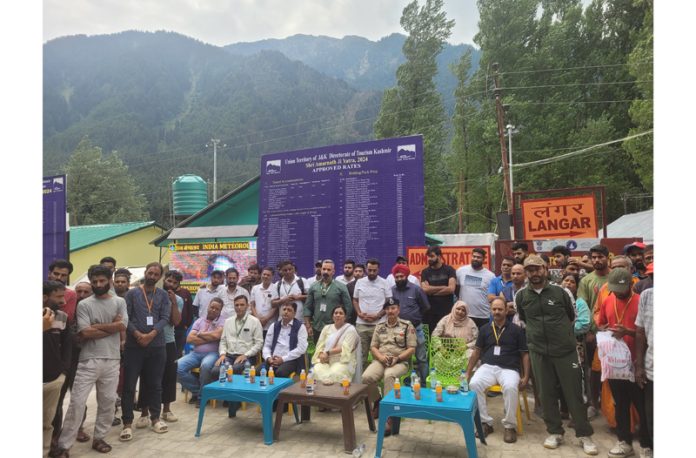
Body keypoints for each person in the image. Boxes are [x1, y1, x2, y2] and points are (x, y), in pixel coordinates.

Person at [515, 255, 598, 455]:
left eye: (537, 269)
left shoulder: (562, 292)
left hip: (565, 351)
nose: (534, 274)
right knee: (545, 393)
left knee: (574, 393)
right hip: (538, 352)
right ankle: (554, 432)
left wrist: (559, 334)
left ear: (545, 269)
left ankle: (584, 435)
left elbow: (572, 317)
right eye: (529, 270)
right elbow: (524, 319)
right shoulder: (520, 296)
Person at [53, 265, 128, 457]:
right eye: (94, 281)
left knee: (108, 402)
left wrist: (99, 327)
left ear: (109, 280)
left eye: (102, 281)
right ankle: (64, 445)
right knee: (77, 402)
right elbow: (85, 332)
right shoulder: (85, 304)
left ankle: (99, 438)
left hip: (112, 359)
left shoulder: (119, 302)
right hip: (88, 360)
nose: (98, 284)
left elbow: (123, 325)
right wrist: (113, 326)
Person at [596, 269, 651, 458]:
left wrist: (627, 331)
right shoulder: (607, 300)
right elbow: (601, 323)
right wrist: (604, 328)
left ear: (630, 284)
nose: (618, 292)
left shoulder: (640, 301)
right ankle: (624, 442)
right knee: (620, 404)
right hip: (615, 364)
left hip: (637, 363)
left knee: (643, 407)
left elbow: (647, 334)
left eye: (621, 288)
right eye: (614, 289)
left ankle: (646, 445)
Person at [467, 298, 530, 443]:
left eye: (500, 309)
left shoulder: (517, 330)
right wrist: (468, 372)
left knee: (509, 387)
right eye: (494, 309)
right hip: (488, 367)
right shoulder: (484, 329)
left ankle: (509, 426)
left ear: (506, 311)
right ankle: (485, 423)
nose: (496, 312)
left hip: (509, 369)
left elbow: (525, 354)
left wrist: (526, 376)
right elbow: (476, 352)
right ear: (491, 310)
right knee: (475, 384)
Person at [120, 262, 171, 441]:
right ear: (145, 272)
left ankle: (155, 418)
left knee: (155, 384)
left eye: (156, 274)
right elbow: (125, 317)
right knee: (129, 386)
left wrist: (151, 335)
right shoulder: (132, 293)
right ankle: (127, 424)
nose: (152, 276)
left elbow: (165, 317)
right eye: (150, 273)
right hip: (134, 346)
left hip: (156, 346)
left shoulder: (163, 295)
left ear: (160, 277)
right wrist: (137, 333)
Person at [361, 298, 416, 436]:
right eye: (388, 309)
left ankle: (389, 416)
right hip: (381, 360)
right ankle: (378, 401)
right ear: (385, 311)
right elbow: (373, 347)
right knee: (366, 377)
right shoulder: (379, 326)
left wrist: (398, 358)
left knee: (388, 376)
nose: (390, 311)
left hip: (399, 362)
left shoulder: (407, 325)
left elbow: (411, 349)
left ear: (398, 309)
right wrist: (380, 357)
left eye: (393, 308)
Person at [135, 270, 183, 426]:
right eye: (169, 280)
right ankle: (144, 412)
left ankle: (166, 410)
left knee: (169, 376)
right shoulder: (150, 295)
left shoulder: (179, 300)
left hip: (168, 341)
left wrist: (173, 302)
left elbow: (175, 322)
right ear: (164, 280)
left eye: (175, 283)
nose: (171, 284)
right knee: (148, 377)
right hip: (150, 341)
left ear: (178, 286)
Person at [50, 281, 92, 451]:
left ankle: (79, 427)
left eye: (85, 292)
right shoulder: (66, 310)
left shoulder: (92, 308)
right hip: (64, 359)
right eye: (79, 291)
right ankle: (54, 433)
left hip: (84, 359)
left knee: (78, 397)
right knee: (57, 400)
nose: (82, 295)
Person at [215, 295, 264, 416]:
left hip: (247, 357)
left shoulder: (254, 321)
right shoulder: (228, 321)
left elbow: (259, 343)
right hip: (229, 355)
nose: (239, 307)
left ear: (247, 306)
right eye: (236, 305)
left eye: (242, 305)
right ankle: (229, 397)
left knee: (235, 370)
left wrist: (245, 355)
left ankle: (233, 404)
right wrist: (222, 354)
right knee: (215, 370)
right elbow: (223, 341)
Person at [577, 244, 611, 419]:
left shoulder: (615, 277)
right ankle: (593, 404)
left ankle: (612, 405)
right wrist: (590, 331)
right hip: (594, 334)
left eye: (600, 257)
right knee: (593, 371)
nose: (597, 260)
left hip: (615, 333)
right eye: (594, 257)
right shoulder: (586, 281)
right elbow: (583, 308)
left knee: (614, 369)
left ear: (607, 258)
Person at [177, 297, 224, 406]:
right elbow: (189, 339)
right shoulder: (199, 320)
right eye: (212, 307)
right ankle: (199, 391)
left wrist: (201, 334)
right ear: (208, 307)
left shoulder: (223, 321)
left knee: (206, 366)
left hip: (213, 353)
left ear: (220, 311)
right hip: (195, 353)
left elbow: (218, 335)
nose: (213, 310)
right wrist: (210, 337)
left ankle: (202, 397)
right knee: (177, 367)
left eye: (217, 309)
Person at [44, 280, 72, 458]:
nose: (63, 301)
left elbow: (68, 346)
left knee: (46, 423)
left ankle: (44, 452)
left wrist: (63, 372)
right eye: (59, 296)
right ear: (45, 297)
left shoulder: (62, 317)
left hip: (54, 379)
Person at [390, 263, 430, 382]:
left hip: (416, 329)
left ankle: (423, 384)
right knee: (403, 358)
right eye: (396, 277)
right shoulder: (392, 290)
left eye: (401, 276)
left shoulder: (416, 289)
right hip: (399, 330)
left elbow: (426, 307)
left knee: (421, 358)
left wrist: (415, 317)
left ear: (406, 276)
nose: (399, 279)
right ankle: (405, 383)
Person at [353, 258, 392, 368]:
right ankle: (361, 382)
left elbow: (389, 302)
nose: (372, 273)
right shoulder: (360, 282)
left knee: (379, 355)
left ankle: (376, 382)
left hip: (379, 324)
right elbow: (355, 300)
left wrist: (377, 315)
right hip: (361, 324)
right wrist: (359, 313)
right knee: (361, 355)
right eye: (369, 270)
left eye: (374, 270)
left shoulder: (384, 282)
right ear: (366, 269)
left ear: (378, 270)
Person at [304, 259, 353, 342]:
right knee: (319, 352)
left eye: (329, 270)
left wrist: (343, 325)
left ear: (333, 272)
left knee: (334, 353)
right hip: (317, 327)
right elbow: (307, 307)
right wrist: (308, 326)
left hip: (335, 327)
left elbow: (348, 307)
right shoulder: (314, 286)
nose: (325, 272)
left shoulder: (341, 287)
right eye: (324, 269)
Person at [312, 305, 361, 383]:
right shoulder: (326, 328)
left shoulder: (350, 330)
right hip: (326, 359)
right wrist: (321, 354)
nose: (338, 315)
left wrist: (327, 353)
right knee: (317, 370)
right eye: (336, 313)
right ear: (332, 316)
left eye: (341, 313)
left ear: (345, 317)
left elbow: (345, 347)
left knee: (335, 373)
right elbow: (320, 345)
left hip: (343, 360)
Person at [263, 302, 309, 377]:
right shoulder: (274, 326)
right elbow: (266, 346)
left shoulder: (300, 327)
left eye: (289, 310)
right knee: (259, 371)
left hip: (290, 360)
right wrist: (268, 358)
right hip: (273, 359)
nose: (286, 312)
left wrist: (283, 359)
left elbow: (301, 348)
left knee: (280, 372)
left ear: (294, 314)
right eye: (284, 309)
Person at [420, 246, 456, 336]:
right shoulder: (425, 272)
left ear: (439, 256)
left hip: (446, 312)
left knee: (446, 338)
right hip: (429, 313)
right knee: (430, 339)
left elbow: (451, 289)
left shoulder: (449, 270)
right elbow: (425, 289)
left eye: (432, 256)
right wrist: (444, 287)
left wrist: (431, 291)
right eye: (428, 256)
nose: (429, 259)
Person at [634, 286, 653, 458]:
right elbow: (640, 332)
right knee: (651, 417)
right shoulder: (647, 296)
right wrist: (639, 366)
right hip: (652, 369)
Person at [456, 248, 495, 329]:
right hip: (465, 314)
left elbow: (493, 296)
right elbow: (457, 289)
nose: (475, 259)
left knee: (483, 340)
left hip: (484, 316)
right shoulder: (461, 271)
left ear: (484, 259)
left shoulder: (490, 276)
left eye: (479, 257)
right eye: (474, 256)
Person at [250, 266, 279, 340]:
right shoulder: (255, 288)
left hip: (270, 323)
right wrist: (258, 319)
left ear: (272, 276)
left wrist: (266, 319)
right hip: (257, 323)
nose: (265, 276)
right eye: (264, 274)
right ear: (261, 275)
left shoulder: (276, 288)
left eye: (268, 275)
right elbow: (252, 305)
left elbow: (275, 307)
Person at [48, 259, 78, 329]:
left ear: (67, 277)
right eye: (56, 274)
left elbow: (66, 320)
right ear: (49, 273)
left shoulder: (71, 294)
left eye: (63, 275)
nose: (59, 278)